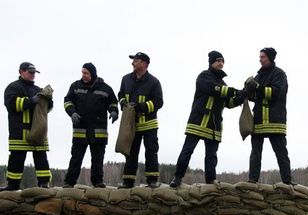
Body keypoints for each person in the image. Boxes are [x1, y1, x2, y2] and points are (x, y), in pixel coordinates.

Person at [170, 51, 245, 188]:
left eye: (223, 61)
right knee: (187, 151)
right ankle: (177, 177)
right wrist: (236, 91)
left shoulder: (223, 83)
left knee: (211, 156)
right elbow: (215, 90)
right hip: (198, 121)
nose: (221, 63)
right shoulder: (204, 76)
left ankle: (211, 180)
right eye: (218, 60)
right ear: (211, 62)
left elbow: (229, 103)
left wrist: (242, 95)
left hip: (214, 125)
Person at [62, 63, 118, 188]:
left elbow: (113, 103)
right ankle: (69, 182)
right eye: (82, 72)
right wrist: (72, 113)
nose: (83, 75)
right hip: (80, 129)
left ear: (92, 73)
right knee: (76, 158)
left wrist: (114, 112)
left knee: (98, 159)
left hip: (99, 130)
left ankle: (97, 181)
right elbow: (67, 101)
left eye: (86, 73)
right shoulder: (75, 86)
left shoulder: (105, 88)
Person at [244, 47, 293, 185]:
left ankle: (287, 181)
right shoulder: (258, 76)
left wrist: (257, 88)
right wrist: (247, 91)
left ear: (270, 58)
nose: (260, 59)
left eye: (263, 57)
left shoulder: (279, 74)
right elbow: (255, 96)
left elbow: (276, 93)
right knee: (255, 153)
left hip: (275, 121)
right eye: (260, 57)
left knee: (281, 153)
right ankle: (252, 180)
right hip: (258, 121)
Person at [1, 62, 53, 191]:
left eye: (34, 72)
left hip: (38, 131)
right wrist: (30, 101)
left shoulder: (38, 89)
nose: (33, 75)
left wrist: (48, 101)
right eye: (30, 72)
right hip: (19, 132)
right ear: (21, 71)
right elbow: (11, 105)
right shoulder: (12, 87)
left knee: (41, 158)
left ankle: (44, 183)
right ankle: (12, 185)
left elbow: (46, 110)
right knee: (16, 158)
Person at [118, 52, 163, 188]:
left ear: (144, 64)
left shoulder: (154, 82)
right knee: (130, 152)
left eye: (136, 61)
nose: (133, 63)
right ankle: (128, 181)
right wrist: (123, 103)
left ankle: (152, 180)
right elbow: (120, 94)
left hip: (149, 124)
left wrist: (141, 107)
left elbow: (159, 102)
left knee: (151, 151)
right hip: (131, 124)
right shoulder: (125, 79)